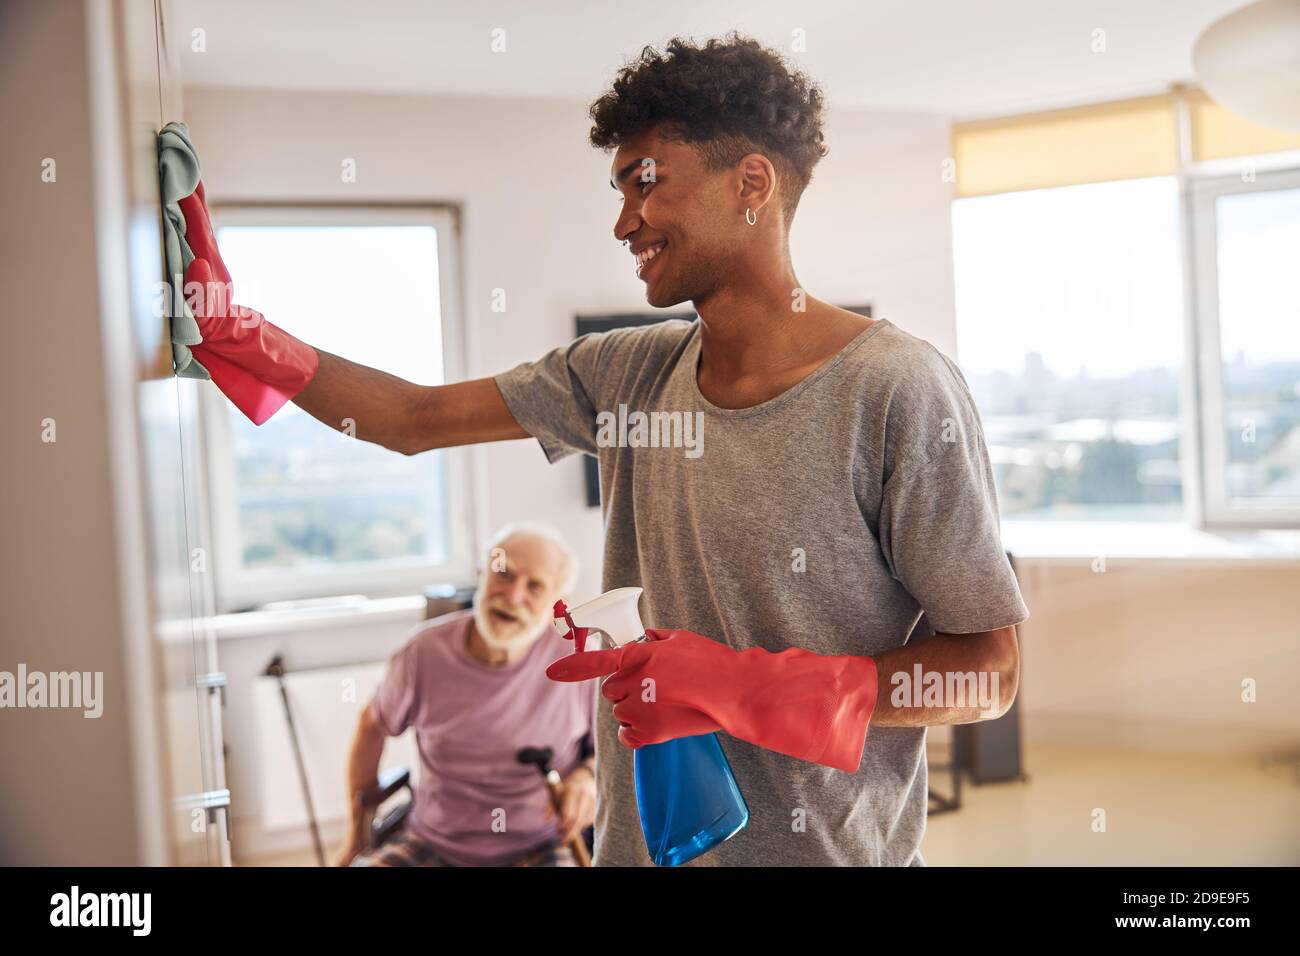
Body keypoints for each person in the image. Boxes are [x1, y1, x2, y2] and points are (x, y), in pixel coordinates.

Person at [183, 33, 1027, 866]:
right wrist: (237, 331)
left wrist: (747, 688)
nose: (625, 223)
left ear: (752, 184)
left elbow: (987, 673)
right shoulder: (630, 372)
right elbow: (412, 418)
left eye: (645, 185)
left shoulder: (895, 390)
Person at [335, 523, 594, 867]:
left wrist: (587, 778)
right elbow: (372, 725)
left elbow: (609, 753)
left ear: (556, 604)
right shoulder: (423, 653)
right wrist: (355, 838)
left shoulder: (580, 662)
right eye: (503, 575)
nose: (513, 596)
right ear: (481, 575)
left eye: (534, 586)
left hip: (538, 845)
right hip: (433, 843)